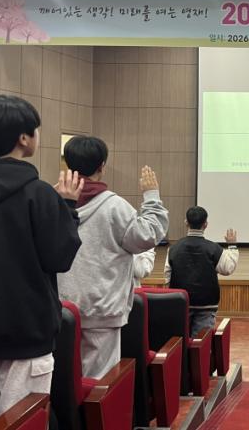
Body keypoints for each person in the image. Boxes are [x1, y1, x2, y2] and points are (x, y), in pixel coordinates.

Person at [0, 95, 83, 425]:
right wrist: (67, 207)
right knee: (24, 422)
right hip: (27, 332)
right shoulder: (40, 194)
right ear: (24, 138)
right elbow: (60, 257)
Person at [58, 136, 169, 379]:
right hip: (102, 310)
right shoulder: (114, 206)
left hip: (62, 310)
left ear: (68, 164)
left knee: (64, 379)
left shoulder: (55, 202)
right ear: (102, 166)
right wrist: (151, 196)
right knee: (99, 382)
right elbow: (148, 235)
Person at [166, 207, 239, 335]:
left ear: (186, 222)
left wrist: (173, 297)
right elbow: (228, 268)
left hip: (181, 303)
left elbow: (167, 276)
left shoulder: (173, 248)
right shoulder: (214, 248)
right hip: (207, 305)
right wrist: (232, 246)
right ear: (205, 224)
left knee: (180, 341)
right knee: (202, 343)